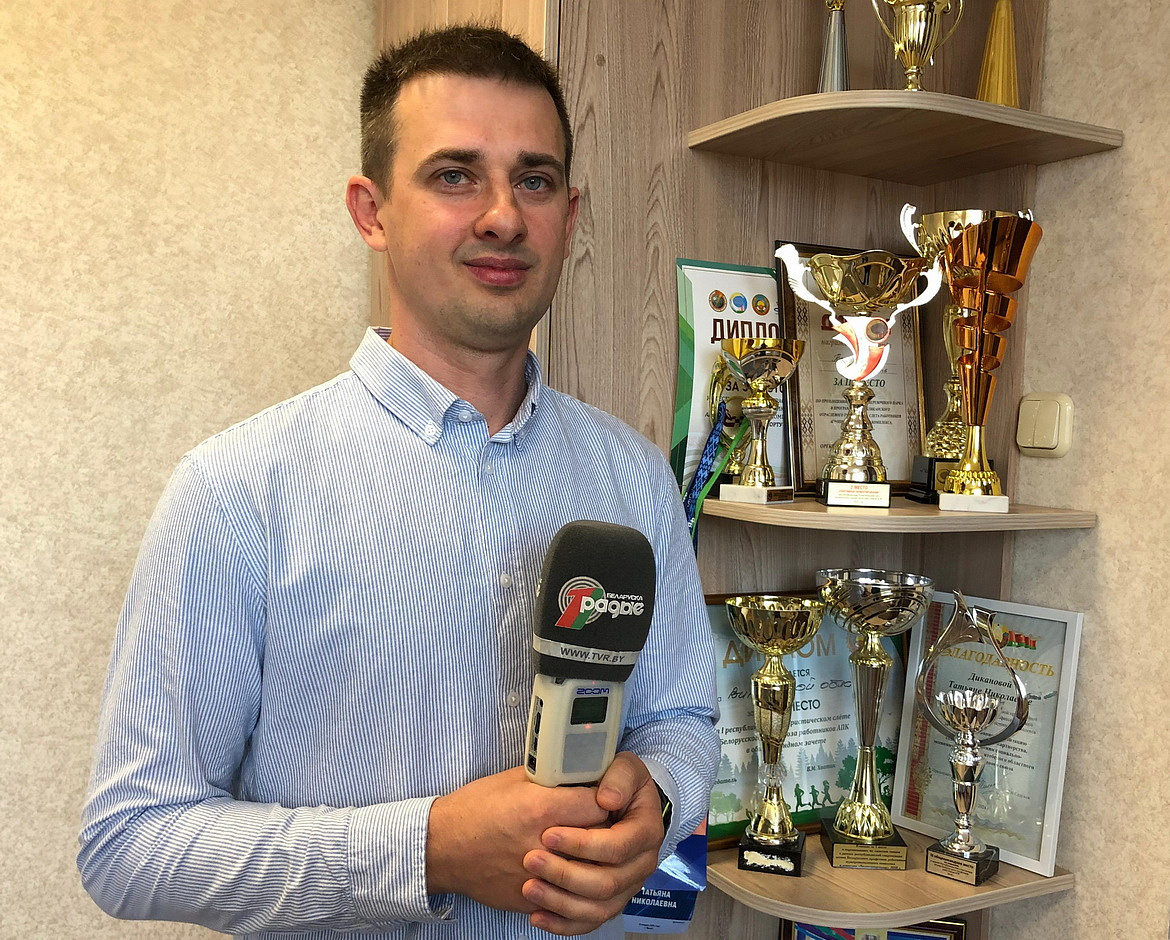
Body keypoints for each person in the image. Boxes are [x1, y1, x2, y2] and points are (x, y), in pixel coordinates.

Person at [78, 24, 719, 940]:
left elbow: (683, 718)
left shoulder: (633, 475)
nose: (503, 216)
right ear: (371, 212)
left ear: (570, 216)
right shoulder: (236, 492)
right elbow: (130, 845)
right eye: (454, 175)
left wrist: (655, 794)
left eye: (535, 180)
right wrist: (428, 850)